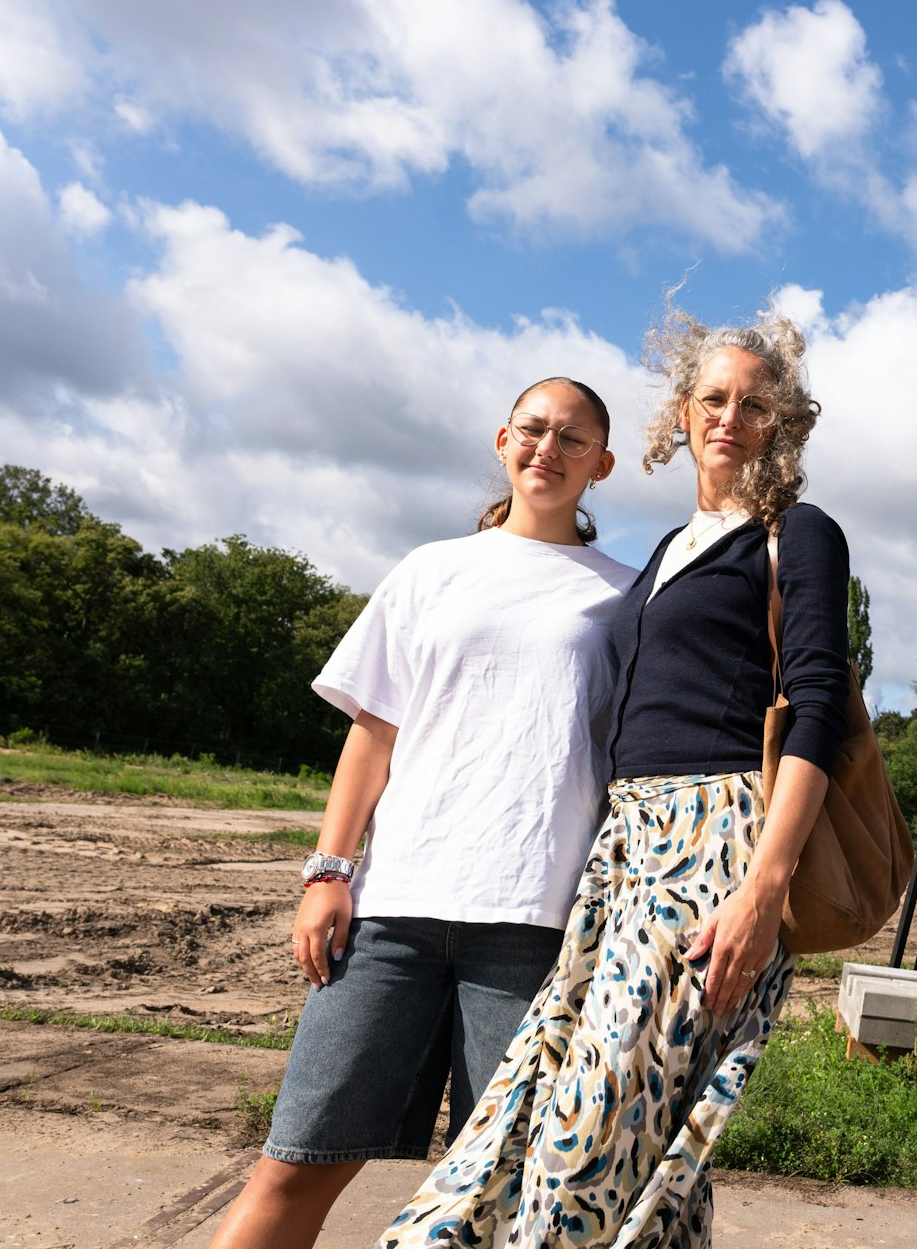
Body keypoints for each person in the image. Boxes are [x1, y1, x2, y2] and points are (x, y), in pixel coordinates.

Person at [377, 305, 849, 1247]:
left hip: (715, 846)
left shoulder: (798, 532)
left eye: (754, 404)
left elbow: (820, 709)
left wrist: (764, 888)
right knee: (602, 1133)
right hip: (622, 849)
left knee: (585, 1139)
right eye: (711, 397)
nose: (729, 416)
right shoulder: (662, 553)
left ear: (782, 423)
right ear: (680, 413)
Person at [209, 379, 636, 1249]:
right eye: (532, 429)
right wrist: (329, 871)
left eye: (572, 437)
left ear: (603, 463)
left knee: (509, 1194)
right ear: (501, 440)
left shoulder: (626, 597)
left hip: (530, 924)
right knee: (293, 1161)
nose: (547, 448)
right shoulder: (431, 569)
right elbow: (373, 736)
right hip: (393, 912)